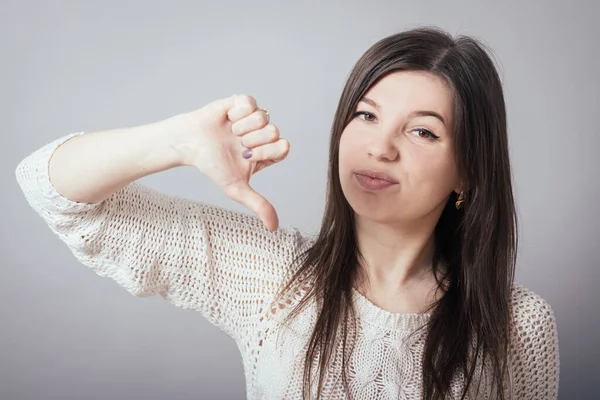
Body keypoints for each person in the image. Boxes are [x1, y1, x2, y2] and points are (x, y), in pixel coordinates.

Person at [15, 26, 559, 399]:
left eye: (421, 130)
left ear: (468, 169)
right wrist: (174, 141)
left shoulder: (519, 327)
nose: (380, 147)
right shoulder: (273, 275)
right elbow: (49, 187)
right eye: (365, 116)